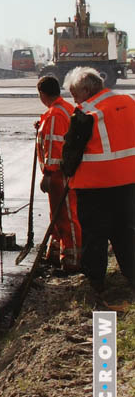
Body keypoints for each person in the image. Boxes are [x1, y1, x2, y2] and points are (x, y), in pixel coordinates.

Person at [62, 67, 135, 292]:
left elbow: (71, 153)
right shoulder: (129, 101)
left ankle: (96, 283)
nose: (74, 100)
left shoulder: (85, 113)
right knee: (126, 232)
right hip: (129, 182)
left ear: (86, 90)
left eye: (74, 94)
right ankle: (132, 275)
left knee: (95, 236)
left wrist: (66, 172)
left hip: (95, 186)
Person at [36, 75, 81, 272]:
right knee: (58, 215)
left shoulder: (55, 114)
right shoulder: (64, 109)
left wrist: (48, 174)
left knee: (66, 216)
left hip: (59, 175)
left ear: (42, 94)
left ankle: (73, 260)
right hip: (66, 173)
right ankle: (56, 254)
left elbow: (54, 147)